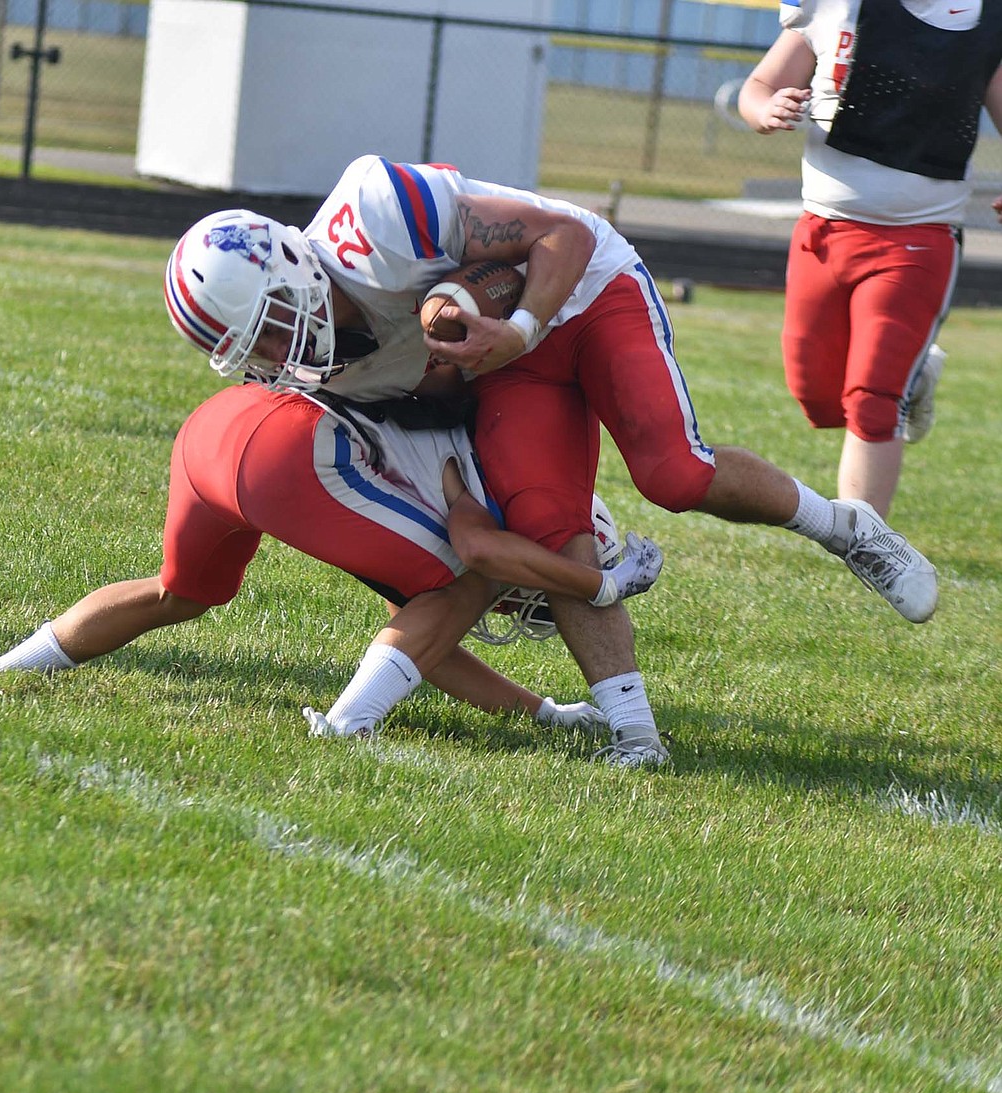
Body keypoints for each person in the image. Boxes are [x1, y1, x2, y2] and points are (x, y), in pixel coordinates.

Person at [162, 165, 940, 765]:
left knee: (674, 473)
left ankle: (845, 525)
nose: (274, 355)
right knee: (546, 519)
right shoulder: (331, 373)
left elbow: (562, 235)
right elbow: (436, 406)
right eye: (252, 350)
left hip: (583, 294)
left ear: (288, 267)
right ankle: (636, 736)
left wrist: (521, 321)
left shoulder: (379, 209)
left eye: (269, 328)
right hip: (506, 364)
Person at [0, 379, 665, 751]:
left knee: (180, 590)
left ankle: (3, 670)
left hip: (215, 428)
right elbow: (478, 560)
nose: (527, 609)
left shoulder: (512, 459)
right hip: (289, 453)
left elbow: (427, 647)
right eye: (539, 596)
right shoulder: (503, 491)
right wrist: (599, 582)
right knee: (462, 585)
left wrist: (544, 713)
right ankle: (344, 727)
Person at [737, 0, 1002, 517]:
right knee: (816, 395)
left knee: (873, 400)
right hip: (824, 228)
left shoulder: (984, 17)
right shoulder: (834, 6)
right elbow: (758, 87)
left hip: (918, 237)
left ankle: (865, 538)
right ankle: (916, 374)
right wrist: (764, 111)